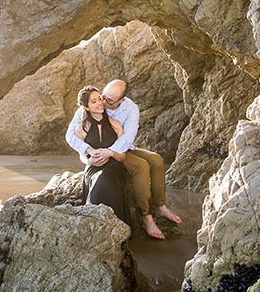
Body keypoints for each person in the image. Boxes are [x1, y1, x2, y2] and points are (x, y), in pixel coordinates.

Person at [66, 78, 181, 239]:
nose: (103, 102)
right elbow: (72, 136)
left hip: (121, 148)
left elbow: (128, 138)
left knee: (156, 160)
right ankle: (145, 216)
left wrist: (110, 151)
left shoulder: (130, 109)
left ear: (121, 100)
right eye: (102, 96)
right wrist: (89, 154)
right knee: (141, 166)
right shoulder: (89, 107)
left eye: (108, 100)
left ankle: (160, 206)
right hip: (108, 154)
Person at [74, 86, 130, 225]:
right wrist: (89, 162)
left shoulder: (117, 126)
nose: (99, 103)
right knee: (99, 177)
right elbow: (82, 156)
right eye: (94, 101)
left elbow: (122, 156)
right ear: (86, 107)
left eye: (99, 98)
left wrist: (111, 153)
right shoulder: (80, 129)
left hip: (114, 167)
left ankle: (107, 225)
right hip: (93, 169)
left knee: (105, 178)